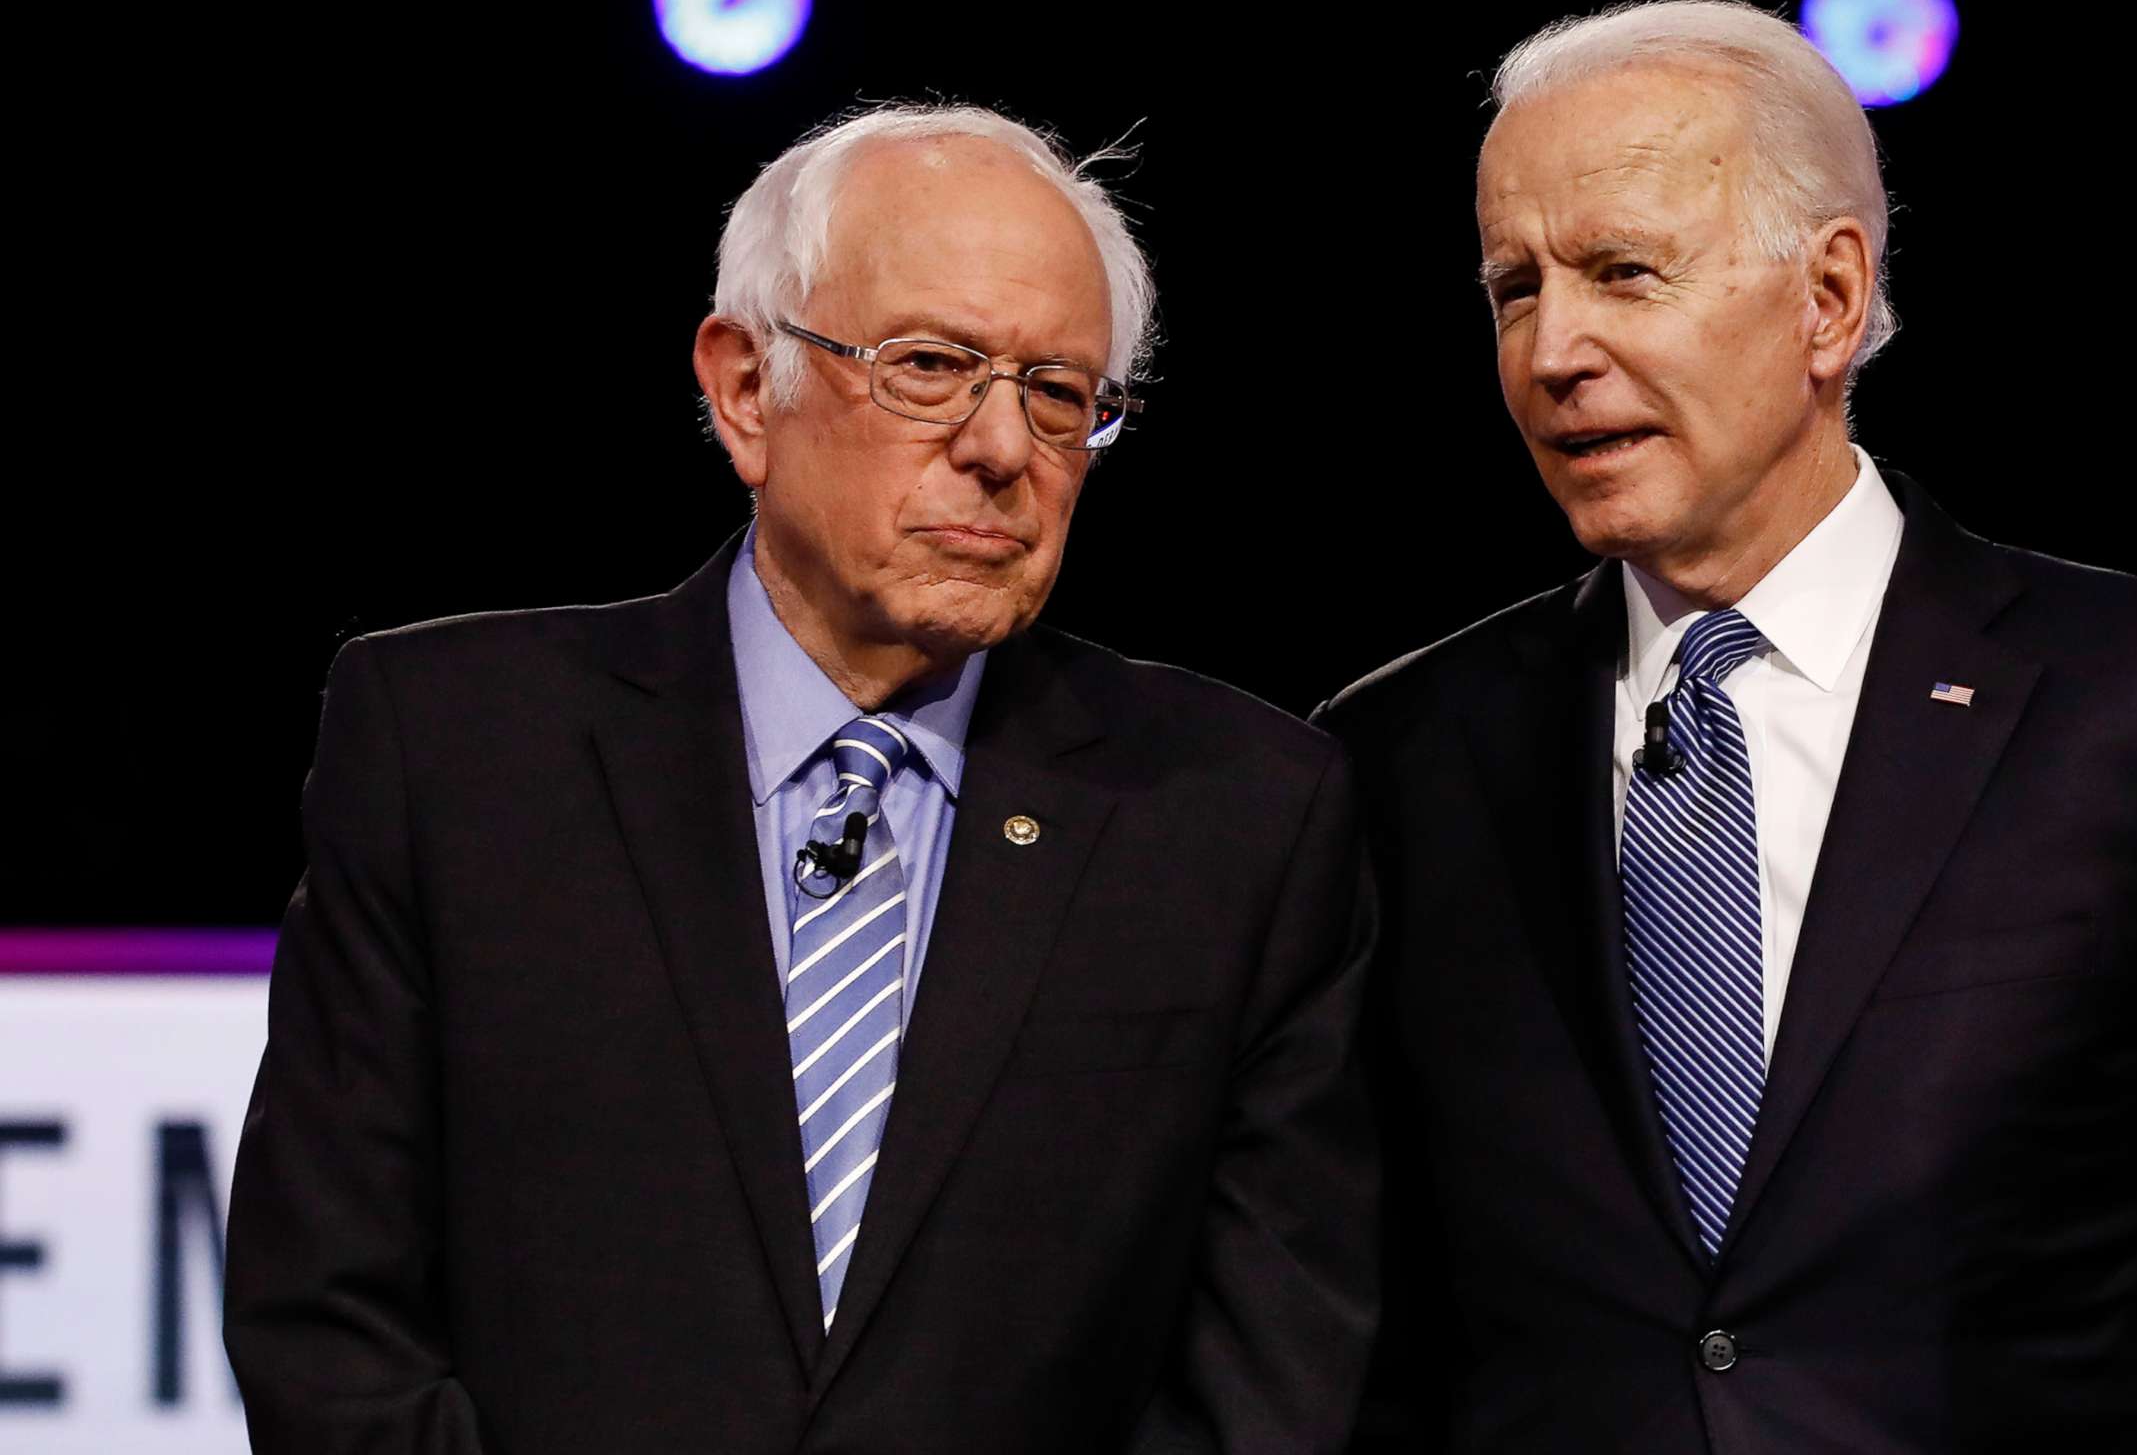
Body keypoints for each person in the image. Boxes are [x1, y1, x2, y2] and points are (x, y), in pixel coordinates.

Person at [1317, 0, 2137, 1451]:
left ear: (1828, 299)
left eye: (1625, 273)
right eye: (1515, 288)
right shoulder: (1400, 760)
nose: (1554, 349)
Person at [225, 105, 1378, 1453]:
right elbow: (328, 1322)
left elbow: (1271, 1377)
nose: (1003, 448)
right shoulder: (454, 751)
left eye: (1059, 394)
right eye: (932, 366)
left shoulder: (1238, 816)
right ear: (741, 388)